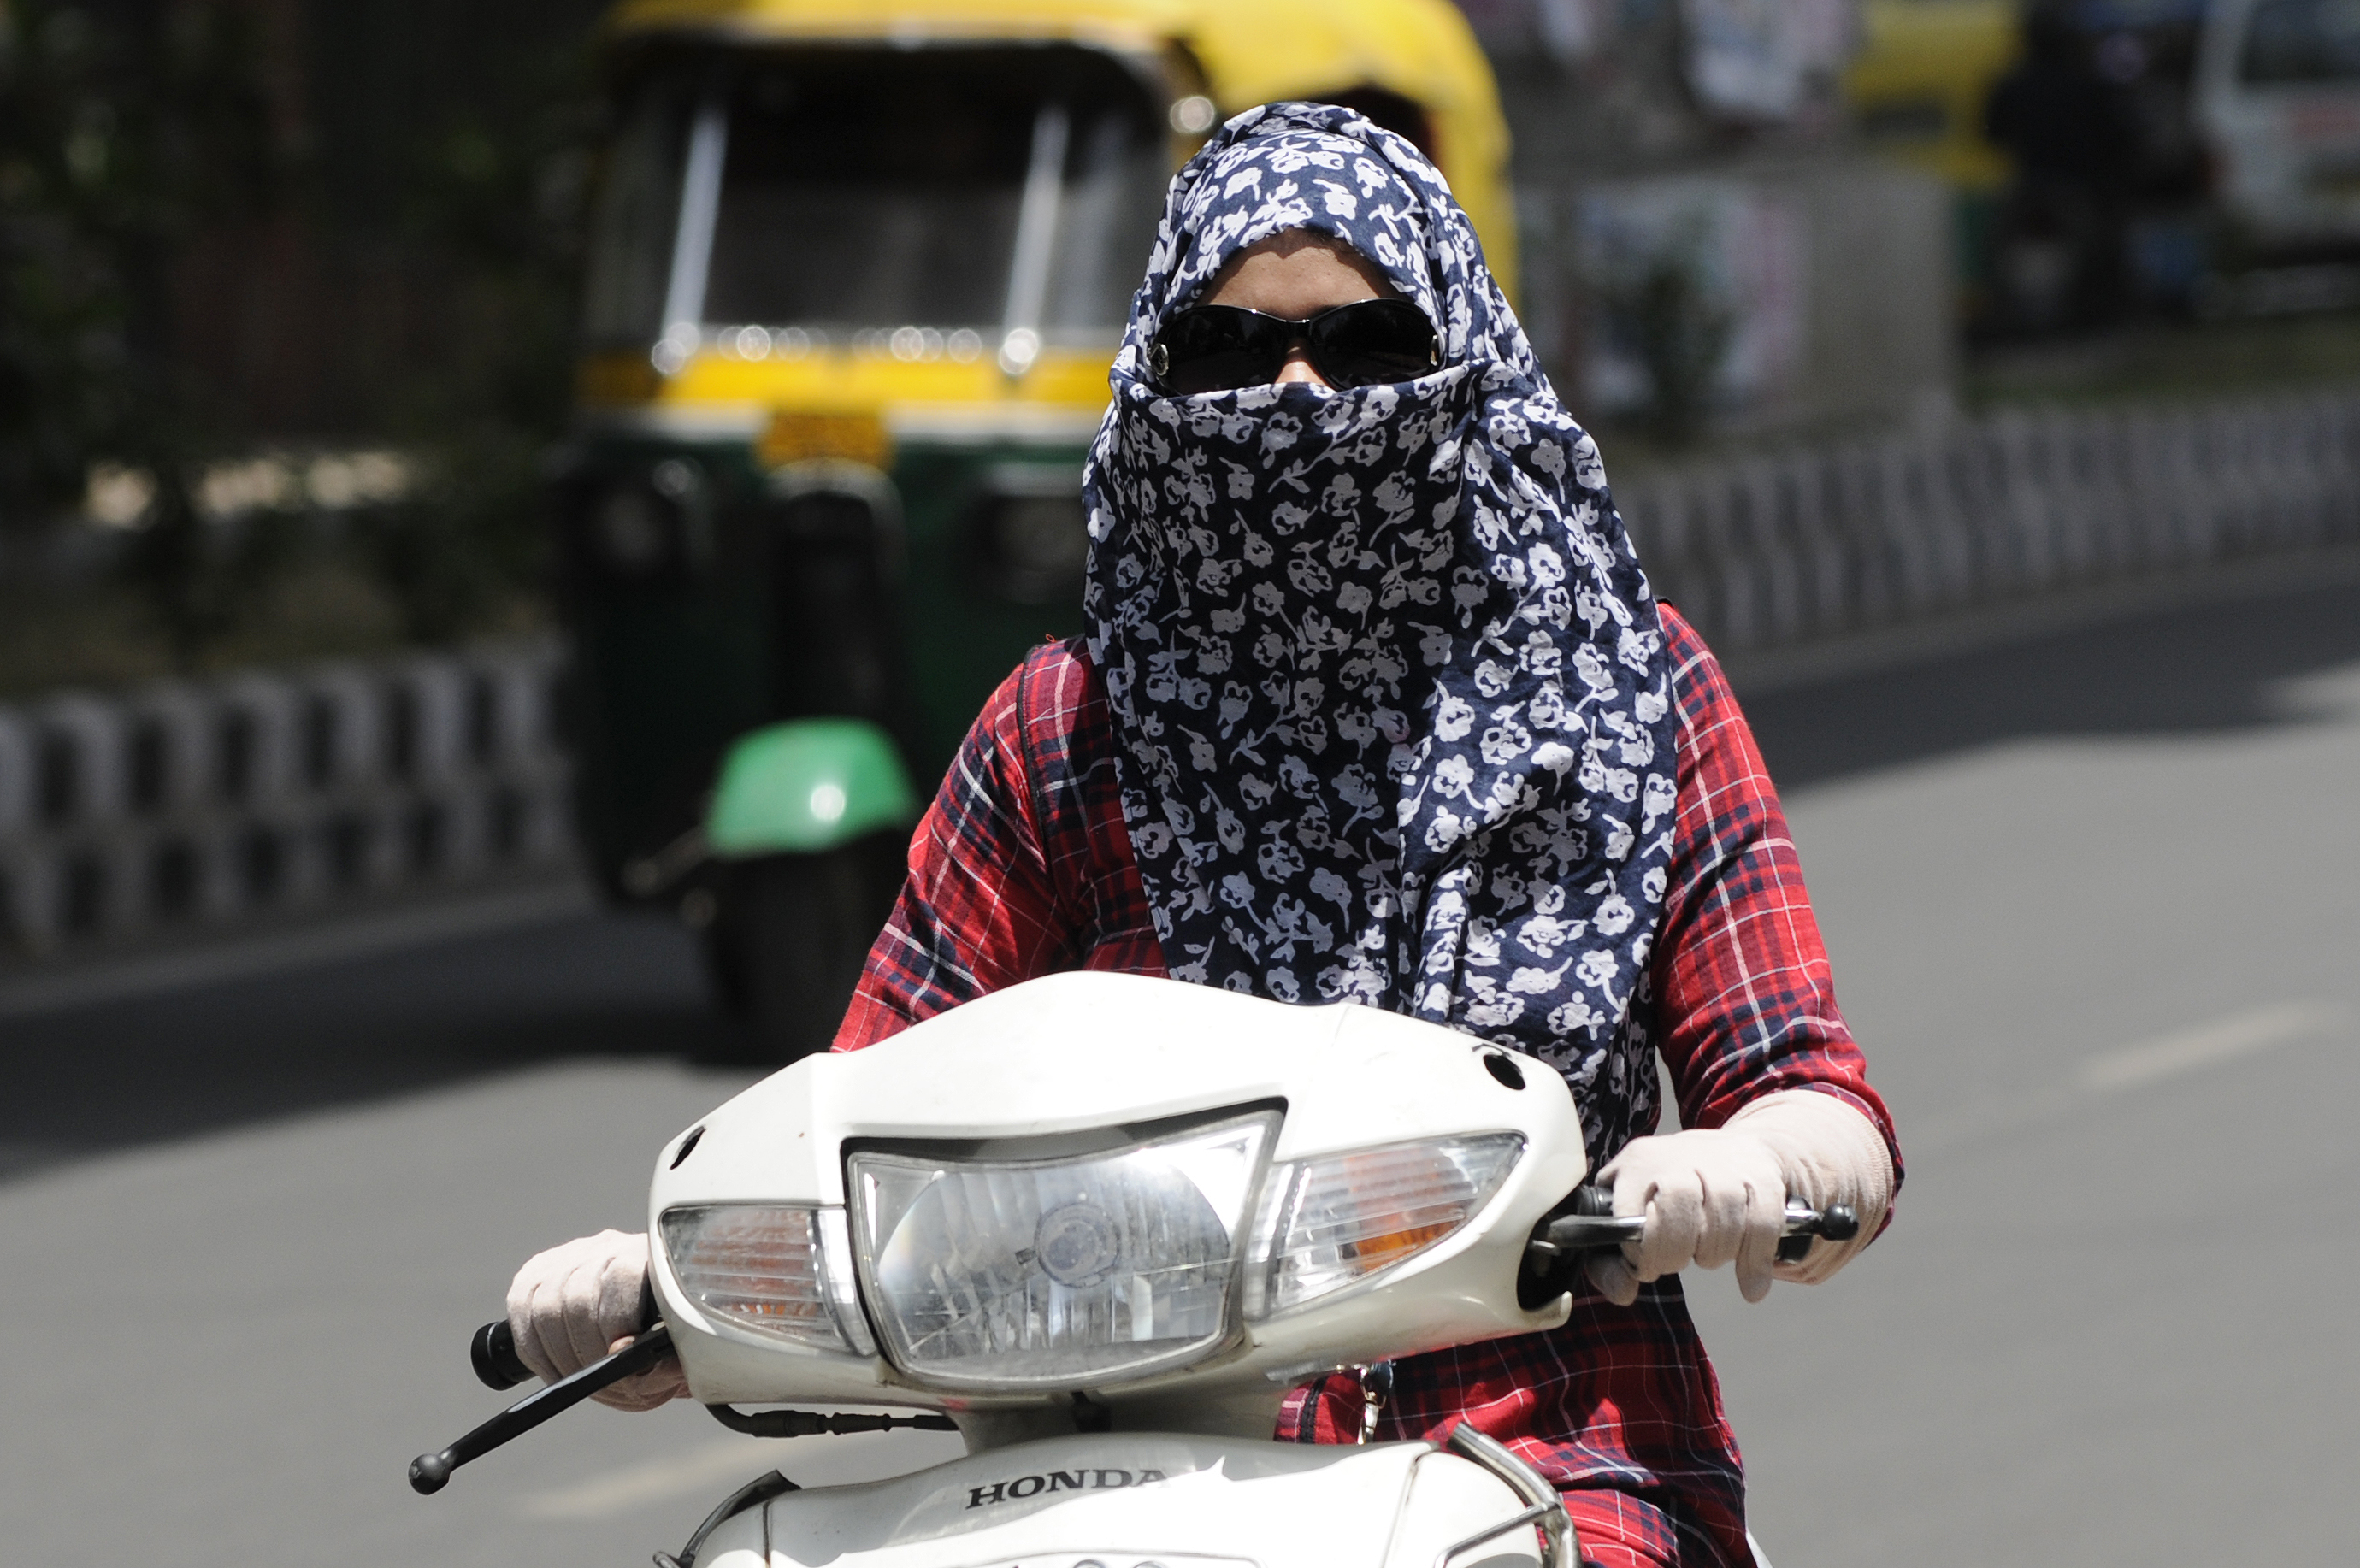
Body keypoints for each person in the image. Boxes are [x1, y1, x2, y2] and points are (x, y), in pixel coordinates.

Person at [506, 104, 1900, 1568]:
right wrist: (652, 1277)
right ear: (1155, 383)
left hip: (1547, 1452)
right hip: (1081, 1483)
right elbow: (853, 1125)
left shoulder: (1629, 695)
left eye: (1361, 347)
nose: (1295, 400)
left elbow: (1811, 1091)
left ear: (1463, 365)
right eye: (1231, 355)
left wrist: (1756, 1166)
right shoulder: (1061, 731)